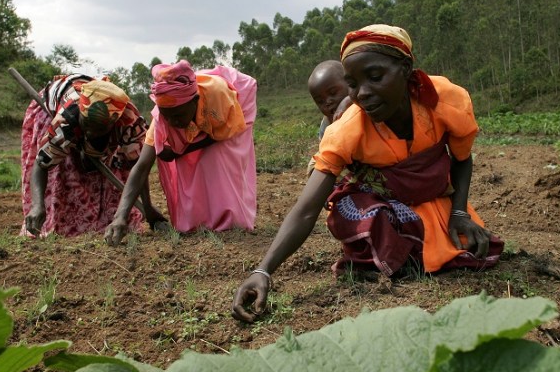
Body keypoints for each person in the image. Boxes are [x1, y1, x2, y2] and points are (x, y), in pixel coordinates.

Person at [232, 24, 504, 322]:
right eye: (353, 84)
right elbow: (307, 209)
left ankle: (420, 243)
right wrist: (263, 271)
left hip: (435, 200)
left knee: (468, 248)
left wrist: (460, 213)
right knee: (356, 214)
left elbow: (462, 158)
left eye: (375, 78)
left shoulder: (445, 101)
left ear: (405, 68)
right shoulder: (348, 128)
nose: (362, 94)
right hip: (384, 205)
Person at [104, 60, 257, 245]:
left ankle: (231, 219)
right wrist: (121, 216)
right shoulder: (162, 119)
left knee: (215, 158)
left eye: (177, 115)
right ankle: (196, 222)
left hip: (232, 115)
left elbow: (224, 132)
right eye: (167, 116)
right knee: (187, 165)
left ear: (195, 101)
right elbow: (142, 166)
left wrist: (181, 150)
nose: (172, 122)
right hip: (203, 120)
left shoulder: (217, 95)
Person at [21, 74, 163, 238]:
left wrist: (148, 206)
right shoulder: (67, 120)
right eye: (86, 126)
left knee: (114, 169)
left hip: (100, 124)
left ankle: (113, 221)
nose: (89, 133)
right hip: (55, 109)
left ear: (112, 124)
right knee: (65, 173)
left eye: (97, 130)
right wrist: (37, 205)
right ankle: (61, 227)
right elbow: (42, 164)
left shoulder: (129, 123)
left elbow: (138, 167)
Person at [306, 60, 352, 176]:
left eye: (333, 93)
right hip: (342, 160)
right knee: (313, 167)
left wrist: (347, 101)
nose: (328, 102)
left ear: (350, 82)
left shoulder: (364, 105)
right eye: (320, 101)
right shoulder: (327, 124)